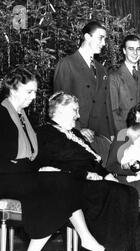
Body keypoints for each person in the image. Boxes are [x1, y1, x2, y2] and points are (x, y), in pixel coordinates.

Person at [0, 67, 114, 251]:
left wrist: (44, 169)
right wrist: (40, 172)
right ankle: (86, 241)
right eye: (29, 92)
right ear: (13, 90)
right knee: (62, 184)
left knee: (64, 186)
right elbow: (0, 161)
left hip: (18, 177)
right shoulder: (0, 118)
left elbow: (31, 159)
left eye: (35, 92)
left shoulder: (23, 119)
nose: (33, 97)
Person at [36, 92, 140, 251]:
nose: (78, 116)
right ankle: (98, 249)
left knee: (129, 191)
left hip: (91, 179)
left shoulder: (76, 134)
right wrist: (86, 174)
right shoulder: (45, 133)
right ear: (60, 110)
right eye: (75, 110)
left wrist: (108, 175)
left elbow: (93, 161)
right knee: (113, 192)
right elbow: (55, 163)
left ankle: (121, 248)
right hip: (72, 183)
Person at [53, 21, 114, 164]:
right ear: (87, 37)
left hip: (98, 139)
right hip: (74, 137)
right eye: (101, 38)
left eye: (105, 39)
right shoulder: (67, 64)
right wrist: (78, 129)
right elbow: (59, 105)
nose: (104, 43)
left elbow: (104, 106)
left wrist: (108, 137)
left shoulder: (101, 69)